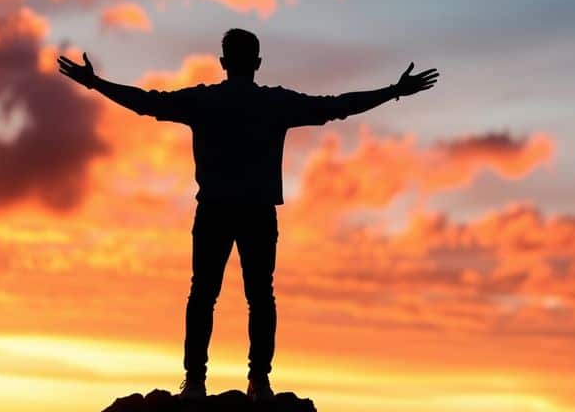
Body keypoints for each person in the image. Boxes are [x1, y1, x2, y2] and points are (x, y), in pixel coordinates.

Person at [57, 28, 438, 401]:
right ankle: (259, 382)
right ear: (257, 62)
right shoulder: (275, 103)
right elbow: (336, 106)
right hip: (257, 211)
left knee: (203, 295)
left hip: (215, 211)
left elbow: (146, 102)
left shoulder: (204, 101)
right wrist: (393, 91)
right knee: (260, 297)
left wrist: (95, 83)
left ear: (223, 62)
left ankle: (194, 383)